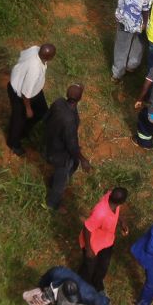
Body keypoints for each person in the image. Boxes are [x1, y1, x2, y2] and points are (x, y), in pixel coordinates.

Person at [44, 83, 92, 211]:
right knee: (62, 180)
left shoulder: (59, 102)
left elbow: (46, 118)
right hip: (61, 154)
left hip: (50, 143)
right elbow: (72, 145)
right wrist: (83, 159)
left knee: (64, 171)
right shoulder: (70, 120)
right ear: (80, 98)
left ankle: (51, 180)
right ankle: (52, 203)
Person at [7, 43, 56, 155]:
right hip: (20, 95)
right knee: (18, 120)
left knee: (42, 112)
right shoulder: (35, 70)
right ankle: (13, 143)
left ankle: (24, 131)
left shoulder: (35, 49)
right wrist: (28, 109)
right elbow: (25, 93)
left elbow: (21, 55)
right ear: (48, 57)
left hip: (34, 90)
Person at [79, 187, 129, 289]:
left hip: (107, 242)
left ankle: (97, 283)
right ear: (122, 202)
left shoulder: (113, 199)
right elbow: (87, 228)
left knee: (103, 266)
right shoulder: (100, 213)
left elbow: (116, 211)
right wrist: (89, 250)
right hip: (93, 245)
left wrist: (121, 222)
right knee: (88, 268)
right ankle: (82, 288)